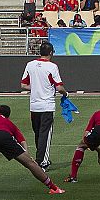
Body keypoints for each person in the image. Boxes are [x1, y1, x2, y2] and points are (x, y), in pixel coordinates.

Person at [21, 42, 68, 170]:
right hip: (47, 105)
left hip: (34, 105)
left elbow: (23, 85)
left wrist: (36, 87)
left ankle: (39, 157)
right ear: (51, 52)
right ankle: (42, 161)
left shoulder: (30, 65)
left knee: (38, 133)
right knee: (45, 134)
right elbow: (59, 87)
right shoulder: (52, 67)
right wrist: (65, 93)